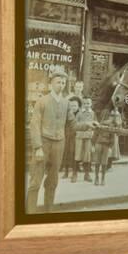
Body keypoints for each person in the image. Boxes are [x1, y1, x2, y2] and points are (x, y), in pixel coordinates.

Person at [26, 71, 74, 213]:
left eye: (63, 82)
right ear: (51, 84)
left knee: (53, 182)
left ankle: (48, 212)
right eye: (58, 82)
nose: (61, 85)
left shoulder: (66, 103)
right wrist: (38, 147)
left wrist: (89, 124)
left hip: (59, 145)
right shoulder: (42, 101)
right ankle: (30, 213)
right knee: (35, 181)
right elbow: (34, 125)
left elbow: (72, 124)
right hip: (44, 144)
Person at [73, 96, 98, 183]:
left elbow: (96, 125)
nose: (86, 105)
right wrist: (85, 124)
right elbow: (75, 124)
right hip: (79, 136)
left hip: (88, 137)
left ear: (91, 104)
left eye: (88, 103)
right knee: (77, 155)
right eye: (84, 103)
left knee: (87, 156)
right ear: (82, 104)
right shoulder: (79, 113)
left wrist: (95, 125)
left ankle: (86, 174)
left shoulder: (93, 113)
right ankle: (74, 174)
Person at [92, 109, 117, 186]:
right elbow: (95, 135)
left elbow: (112, 138)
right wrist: (93, 145)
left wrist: (110, 147)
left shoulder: (111, 126)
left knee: (104, 163)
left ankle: (102, 178)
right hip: (98, 144)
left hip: (106, 145)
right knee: (97, 162)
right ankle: (97, 178)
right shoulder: (98, 125)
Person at [61, 96, 80, 180]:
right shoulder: (66, 115)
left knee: (75, 155)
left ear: (78, 106)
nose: (73, 108)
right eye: (71, 106)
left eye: (75, 106)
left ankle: (75, 173)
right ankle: (66, 172)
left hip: (76, 137)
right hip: (67, 136)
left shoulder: (79, 115)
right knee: (66, 154)